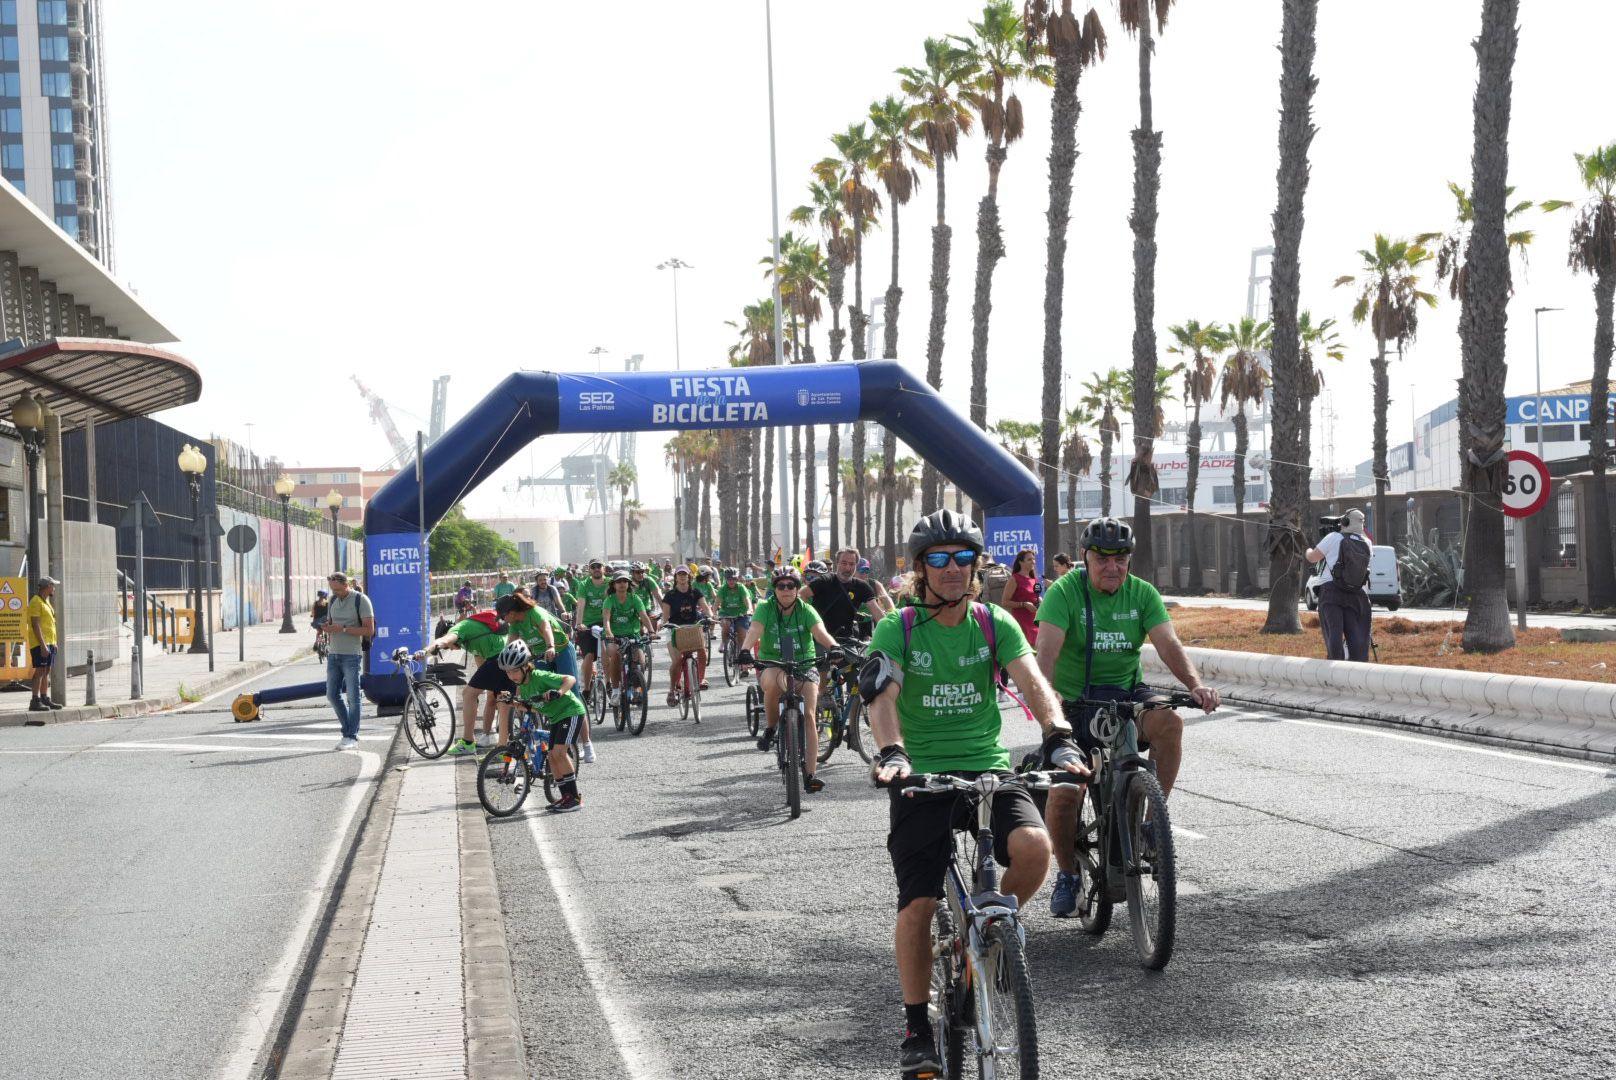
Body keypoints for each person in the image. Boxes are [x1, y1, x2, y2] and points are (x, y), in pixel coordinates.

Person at [863, 510, 1085, 1078]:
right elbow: (881, 696)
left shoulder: (993, 623)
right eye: (938, 558)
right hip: (922, 777)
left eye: (963, 557)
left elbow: (1033, 680)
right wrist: (892, 753)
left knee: (1035, 850)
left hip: (987, 768)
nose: (953, 568)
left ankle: (982, 941)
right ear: (920, 569)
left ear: (977, 564)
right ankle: (917, 1024)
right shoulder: (901, 628)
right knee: (917, 904)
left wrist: (1058, 735)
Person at [1034, 516, 1220, 918]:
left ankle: (1152, 824)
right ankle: (1067, 873)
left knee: (1170, 722)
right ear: (1085, 557)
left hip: (1125, 696)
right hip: (1074, 703)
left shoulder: (1142, 594)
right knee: (1065, 793)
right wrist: (1050, 717)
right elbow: (1044, 657)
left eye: (1121, 558)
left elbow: (1168, 643)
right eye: (1102, 558)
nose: (1112, 566)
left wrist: (1195, 685)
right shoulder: (1064, 593)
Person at [737, 567, 843, 793]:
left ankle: (811, 775)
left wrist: (833, 646)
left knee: (811, 716)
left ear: (797, 589)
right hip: (772, 664)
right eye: (780, 586)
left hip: (804, 665)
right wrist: (745, 649)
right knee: (775, 683)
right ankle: (771, 728)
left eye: (791, 585)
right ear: (774, 589)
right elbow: (755, 630)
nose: (786, 590)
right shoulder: (765, 609)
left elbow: (820, 631)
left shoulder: (807, 610)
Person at [496, 591, 593, 761]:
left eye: (503, 616)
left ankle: (586, 743)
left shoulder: (534, 613)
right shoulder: (515, 624)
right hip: (540, 656)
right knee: (531, 688)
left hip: (560, 649)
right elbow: (510, 645)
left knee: (573, 694)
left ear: (511, 612)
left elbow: (546, 628)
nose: (503, 620)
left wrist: (550, 646)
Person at [498, 639, 587, 813]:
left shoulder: (539, 676)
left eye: (515, 670)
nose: (512, 676)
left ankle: (575, 798)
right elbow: (531, 706)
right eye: (508, 672)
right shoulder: (523, 687)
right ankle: (565, 797)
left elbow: (570, 679)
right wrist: (513, 703)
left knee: (559, 753)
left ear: (526, 666)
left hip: (571, 712)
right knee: (552, 757)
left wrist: (558, 692)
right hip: (555, 717)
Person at [418, 601, 511, 754]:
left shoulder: (459, 628)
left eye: (448, 649)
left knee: (468, 694)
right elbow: (482, 668)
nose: (450, 649)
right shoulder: (471, 639)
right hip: (504, 656)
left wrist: (426, 651)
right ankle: (503, 748)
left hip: (500, 656)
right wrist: (488, 688)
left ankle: (468, 742)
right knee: (499, 698)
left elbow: (445, 640)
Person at [1306, 508, 1373, 662]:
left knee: (1334, 633)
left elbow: (1313, 558)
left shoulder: (1333, 537)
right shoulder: (1367, 543)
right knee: (1356, 637)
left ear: (1345, 522)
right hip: (1357, 596)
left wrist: (1308, 550)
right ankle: (1357, 666)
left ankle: (1335, 665)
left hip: (1331, 593)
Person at [321, 572, 375, 750]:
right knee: (331, 694)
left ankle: (351, 735)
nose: (334, 593)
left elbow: (369, 630)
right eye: (332, 589)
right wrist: (326, 628)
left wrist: (343, 628)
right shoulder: (333, 601)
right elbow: (331, 623)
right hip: (333, 654)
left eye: (337, 589)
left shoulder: (361, 600)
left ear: (346, 585)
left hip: (351, 654)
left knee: (353, 697)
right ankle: (348, 730)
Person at [803, 547, 890, 644]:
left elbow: (877, 612)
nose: (848, 568)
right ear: (837, 563)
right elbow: (801, 595)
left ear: (856, 565)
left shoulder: (862, 587)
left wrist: (890, 631)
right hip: (819, 640)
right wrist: (809, 619)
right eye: (844, 563)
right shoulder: (825, 581)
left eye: (852, 564)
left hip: (846, 641)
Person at [660, 566, 714, 706]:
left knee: (702, 653)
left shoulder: (695, 592)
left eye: (685, 574)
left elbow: (705, 607)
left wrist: (710, 616)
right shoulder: (670, 595)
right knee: (677, 660)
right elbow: (665, 616)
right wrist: (664, 624)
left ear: (689, 576)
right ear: (676, 577)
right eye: (680, 574)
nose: (682, 577)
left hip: (693, 628)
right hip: (675, 629)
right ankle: (672, 690)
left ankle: (700, 679)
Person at [601, 571, 656, 694]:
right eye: (619, 581)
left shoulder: (635, 598)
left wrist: (651, 631)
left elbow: (644, 616)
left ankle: (636, 688)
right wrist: (609, 632)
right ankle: (615, 691)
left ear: (629, 584)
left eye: (625, 581)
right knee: (615, 655)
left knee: (641, 662)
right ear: (613, 585)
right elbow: (606, 619)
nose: (622, 584)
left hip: (633, 635)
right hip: (614, 637)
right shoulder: (609, 600)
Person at [571, 560, 611, 701]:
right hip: (587, 625)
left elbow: (611, 602)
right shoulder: (584, 584)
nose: (596, 569)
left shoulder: (610, 583)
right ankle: (587, 689)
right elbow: (580, 606)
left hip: (606, 623)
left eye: (598, 567)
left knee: (606, 653)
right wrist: (579, 624)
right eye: (593, 567)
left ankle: (609, 684)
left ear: (603, 568)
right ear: (589, 570)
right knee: (588, 656)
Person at [25, 576, 60, 712]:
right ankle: (35, 700)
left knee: (46, 671)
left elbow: (50, 624)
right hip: (40, 644)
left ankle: (44, 698)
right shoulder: (35, 602)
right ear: (47, 587)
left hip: (49, 642)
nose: (54, 588)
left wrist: (54, 642)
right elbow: (35, 625)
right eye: (53, 586)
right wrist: (43, 645)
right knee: (39, 671)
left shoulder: (46, 602)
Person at [714, 566, 755, 679]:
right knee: (725, 625)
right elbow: (717, 602)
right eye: (729, 579)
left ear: (737, 579)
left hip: (741, 614)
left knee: (742, 637)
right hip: (726, 613)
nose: (731, 581)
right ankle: (725, 643)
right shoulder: (723, 588)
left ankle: (744, 666)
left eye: (733, 579)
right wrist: (714, 613)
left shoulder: (741, 588)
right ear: (726, 580)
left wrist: (750, 609)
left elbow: (747, 600)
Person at [1000, 548, 1043, 646]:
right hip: (1022, 624)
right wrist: (1024, 604)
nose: (1033, 562)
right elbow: (1005, 602)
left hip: (1035, 622)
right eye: (1029, 559)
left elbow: (1035, 596)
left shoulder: (1033, 579)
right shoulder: (1014, 579)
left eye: (1033, 559)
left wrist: (1040, 600)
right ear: (1021, 562)